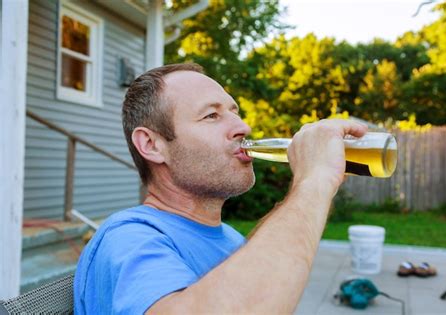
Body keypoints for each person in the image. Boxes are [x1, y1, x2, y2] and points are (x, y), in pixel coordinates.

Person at [73, 63, 367, 314]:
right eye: (211, 115)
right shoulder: (128, 238)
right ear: (152, 145)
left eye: (234, 111)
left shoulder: (230, 239)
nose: (243, 127)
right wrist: (313, 182)